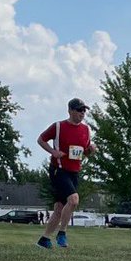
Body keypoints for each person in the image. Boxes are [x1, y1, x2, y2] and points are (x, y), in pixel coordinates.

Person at [36, 98, 96, 249]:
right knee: (74, 200)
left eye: (84, 110)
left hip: (74, 171)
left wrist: (90, 150)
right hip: (59, 170)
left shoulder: (86, 129)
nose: (82, 113)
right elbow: (41, 139)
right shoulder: (58, 126)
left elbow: (84, 152)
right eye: (79, 110)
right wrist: (53, 151)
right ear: (70, 111)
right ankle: (62, 233)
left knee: (59, 208)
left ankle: (44, 239)